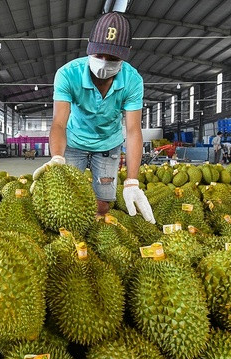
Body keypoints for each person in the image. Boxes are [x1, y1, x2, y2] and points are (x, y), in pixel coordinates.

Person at [33, 12, 154, 223]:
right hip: (74, 142)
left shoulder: (133, 80)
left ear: (126, 53)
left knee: (103, 204)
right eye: (99, 55)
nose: (104, 63)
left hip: (108, 144)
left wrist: (132, 180)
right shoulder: (68, 74)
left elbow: (133, 130)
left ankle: (96, 230)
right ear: (89, 46)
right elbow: (59, 123)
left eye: (113, 58)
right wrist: (57, 157)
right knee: (66, 199)